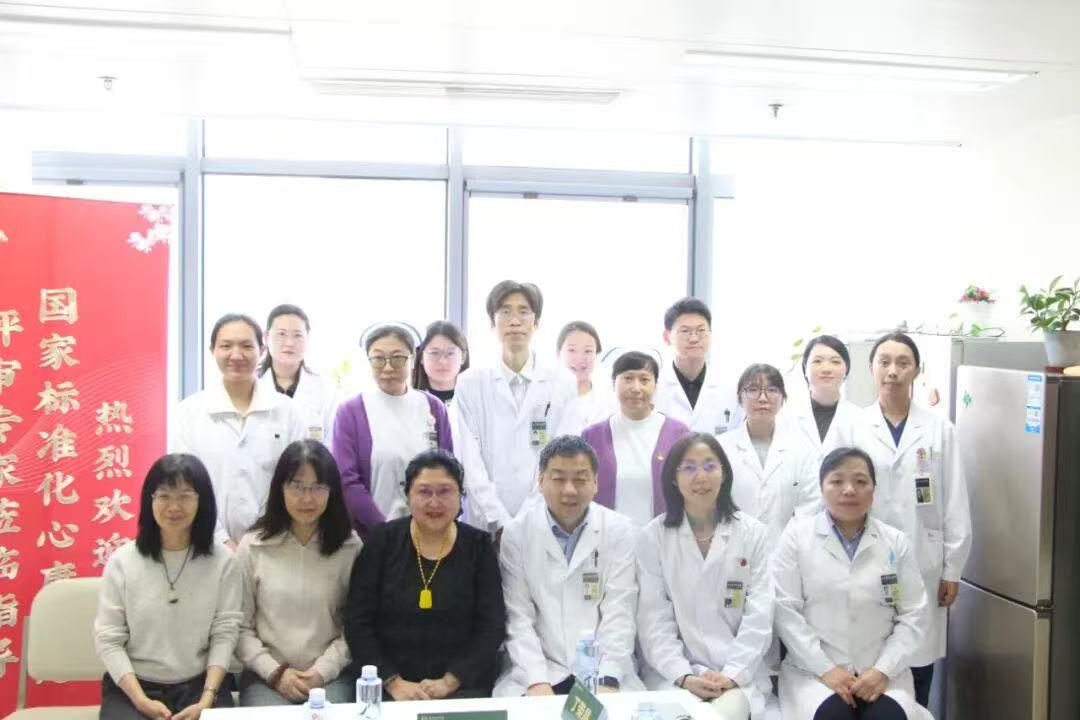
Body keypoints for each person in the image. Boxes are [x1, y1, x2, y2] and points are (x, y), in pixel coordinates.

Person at [855, 332, 971, 707]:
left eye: (903, 363)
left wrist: (953, 568)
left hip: (924, 561)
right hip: (865, 558)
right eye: (884, 362)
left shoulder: (939, 428)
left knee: (918, 659)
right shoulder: (853, 426)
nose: (893, 371)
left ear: (916, 371)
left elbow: (955, 500)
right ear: (871, 369)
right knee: (868, 662)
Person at [772, 447, 930, 720]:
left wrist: (883, 670)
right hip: (814, 674)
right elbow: (786, 612)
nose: (849, 490)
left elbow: (913, 614)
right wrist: (825, 669)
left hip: (882, 674)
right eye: (836, 481)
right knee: (832, 716)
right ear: (821, 488)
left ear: (873, 489)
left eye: (860, 481)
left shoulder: (895, 541)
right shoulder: (796, 539)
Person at [345, 449, 505, 700]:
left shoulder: (479, 547)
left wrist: (450, 682)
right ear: (408, 495)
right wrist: (392, 682)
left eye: (445, 491)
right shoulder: (382, 541)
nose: (434, 502)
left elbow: (491, 626)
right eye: (424, 492)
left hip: (463, 685)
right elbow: (358, 620)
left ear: (460, 495)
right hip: (387, 685)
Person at [637, 433, 775, 720]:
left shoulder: (753, 534)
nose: (701, 476)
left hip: (737, 674)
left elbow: (760, 616)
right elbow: (654, 619)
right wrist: (683, 675)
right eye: (688, 467)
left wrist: (732, 674)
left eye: (710, 466)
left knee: (725, 714)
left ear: (724, 473)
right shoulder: (653, 537)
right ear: (673, 478)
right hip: (674, 674)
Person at [94, 454, 241, 720]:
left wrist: (207, 700)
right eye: (164, 496)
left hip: (201, 685)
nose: (174, 506)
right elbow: (108, 639)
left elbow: (225, 633)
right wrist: (141, 701)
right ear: (149, 500)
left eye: (185, 495)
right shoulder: (122, 562)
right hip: (135, 687)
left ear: (202, 501)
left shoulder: (224, 562)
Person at [495, 435, 643, 696]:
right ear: (541, 481)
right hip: (540, 667)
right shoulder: (517, 534)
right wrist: (536, 681)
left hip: (603, 664)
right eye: (558, 478)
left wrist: (608, 676)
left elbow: (620, 611)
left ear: (596, 483)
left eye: (581, 479)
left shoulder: (619, 530)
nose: (569, 490)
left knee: (625, 710)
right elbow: (518, 616)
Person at [235, 440, 362, 705]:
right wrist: (275, 673)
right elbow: (240, 627)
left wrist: (321, 672)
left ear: (332, 491)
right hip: (266, 676)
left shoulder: (349, 546)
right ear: (280, 488)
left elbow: (356, 627)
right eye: (297, 486)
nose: (307, 498)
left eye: (318, 487)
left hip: (331, 676)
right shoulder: (253, 546)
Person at [452, 280, 580, 532]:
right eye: (505, 312)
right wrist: (498, 519)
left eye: (524, 311)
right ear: (492, 323)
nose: (514, 321)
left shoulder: (562, 382)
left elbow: (563, 456)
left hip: (543, 518)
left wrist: (526, 518)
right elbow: (468, 459)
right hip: (485, 522)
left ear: (536, 322)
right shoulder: (470, 382)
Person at [174, 313, 306, 547]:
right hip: (207, 543)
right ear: (212, 350)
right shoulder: (189, 412)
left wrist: (261, 534)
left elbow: (297, 479)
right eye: (226, 346)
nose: (236, 355)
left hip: (275, 542)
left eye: (246, 346)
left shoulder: (287, 411)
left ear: (262, 350)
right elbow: (185, 483)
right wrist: (221, 540)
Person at [332, 324, 453, 539]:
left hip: (429, 534)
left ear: (413, 360)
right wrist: (384, 530)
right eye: (378, 358)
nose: (388, 367)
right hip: (372, 535)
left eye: (398, 358)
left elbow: (450, 473)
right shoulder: (351, 411)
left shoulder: (433, 407)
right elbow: (346, 480)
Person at [581, 351, 690, 526]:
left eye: (644, 380)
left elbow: (690, 489)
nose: (636, 388)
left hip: (664, 536)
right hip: (606, 535)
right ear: (613, 384)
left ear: (656, 385)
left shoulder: (679, 433)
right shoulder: (592, 436)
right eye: (628, 378)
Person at [718, 364, 821, 546]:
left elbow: (810, 504)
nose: (763, 398)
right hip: (733, 547)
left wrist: (790, 543)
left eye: (772, 390)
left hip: (787, 549)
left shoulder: (801, 448)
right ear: (740, 399)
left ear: (783, 399)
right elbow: (714, 502)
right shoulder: (721, 448)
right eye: (753, 390)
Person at [257, 303, 342, 443]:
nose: (289, 343)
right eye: (281, 334)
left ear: (308, 338)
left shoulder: (325, 389)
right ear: (266, 338)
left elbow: (333, 442)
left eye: (297, 335)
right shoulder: (252, 384)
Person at [653, 297, 739, 436]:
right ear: (667, 337)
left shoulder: (730, 387)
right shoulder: (653, 387)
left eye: (701, 330)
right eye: (685, 331)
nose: (694, 338)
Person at [786, 335, 863, 460]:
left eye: (835, 362)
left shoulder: (861, 419)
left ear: (846, 369)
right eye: (817, 361)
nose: (826, 369)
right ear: (805, 368)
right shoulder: (786, 416)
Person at [558, 321, 614, 428]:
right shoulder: (544, 396)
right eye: (572, 350)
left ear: (596, 355)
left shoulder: (610, 397)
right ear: (558, 352)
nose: (580, 358)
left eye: (588, 351)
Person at [412, 321, 470, 406]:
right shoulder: (409, 400)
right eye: (434, 353)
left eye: (450, 353)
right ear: (421, 357)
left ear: (463, 357)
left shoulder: (475, 398)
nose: (442, 361)